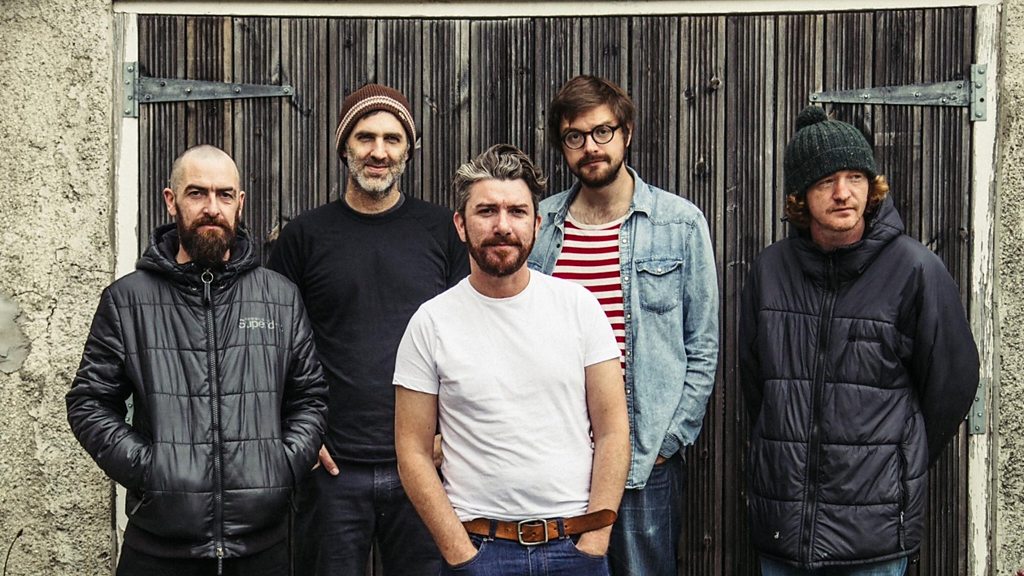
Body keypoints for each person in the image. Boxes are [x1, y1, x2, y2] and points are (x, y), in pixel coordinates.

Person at [738, 106, 981, 575]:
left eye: (855, 177)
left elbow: (951, 385)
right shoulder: (770, 272)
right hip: (784, 529)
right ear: (800, 195)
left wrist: (898, 459)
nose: (843, 193)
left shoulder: (915, 270)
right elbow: (758, 387)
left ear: (872, 187)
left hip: (875, 535)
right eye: (826, 181)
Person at [66, 145, 327, 576]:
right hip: (158, 551)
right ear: (171, 201)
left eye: (224, 195)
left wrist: (279, 465)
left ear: (240, 203)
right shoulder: (127, 301)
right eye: (197, 193)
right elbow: (89, 403)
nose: (212, 208)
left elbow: (310, 398)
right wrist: (152, 471)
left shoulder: (280, 298)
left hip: (261, 549)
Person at [394, 143, 630, 576]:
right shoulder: (430, 323)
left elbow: (613, 430)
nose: (502, 226)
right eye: (486, 211)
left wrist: (594, 542)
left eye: (517, 212)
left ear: (536, 224)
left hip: (573, 547)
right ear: (461, 225)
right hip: (479, 550)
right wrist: (459, 553)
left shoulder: (580, 308)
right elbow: (411, 450)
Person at [266, 83, 469, 575]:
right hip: (331, 470)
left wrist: (453, 431)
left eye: (392, 139)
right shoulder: (303, 237)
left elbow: (472, 337)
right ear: (344, 147)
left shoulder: (442, 231)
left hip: (425, 467)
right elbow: (271, 345)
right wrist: (296, 434)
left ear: (408, 150)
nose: (379, 152)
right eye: (365, 137)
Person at [528, 75, 720, 576]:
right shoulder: (539, 226)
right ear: (562, 146)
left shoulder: (679, 224)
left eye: (602, 131)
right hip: (557, 462)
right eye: (575, 136)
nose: (590, 147)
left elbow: (702, 346)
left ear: (626, 132)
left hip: (644, 463)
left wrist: (669, 441)